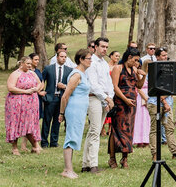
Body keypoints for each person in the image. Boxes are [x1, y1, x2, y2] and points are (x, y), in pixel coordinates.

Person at [57, 48, 93, 178]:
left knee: (75, 137)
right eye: (88, 59)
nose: (90, 61)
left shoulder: (83, 74)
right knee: (71, 138)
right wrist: (61, 113)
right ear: (81, 60)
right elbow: (65, 96)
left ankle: (69, 168)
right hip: (74, 109)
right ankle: (67, 170)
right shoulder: (76, 75)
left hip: (81, 109)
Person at [82, 37, 113, 173]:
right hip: (93, 98)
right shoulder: (91, 62)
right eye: (102, 46)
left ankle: (86, 163)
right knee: (95, 131)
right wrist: (105, 97)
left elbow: (109, 83)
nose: (105, 49)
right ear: (96, 47)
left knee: (94, 131)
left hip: (105, 99)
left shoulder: (105, 64)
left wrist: (109, 98)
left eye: (106, 47)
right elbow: (93, 85)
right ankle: (93, 164)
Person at [108, 48, 142, 168]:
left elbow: (139, 85)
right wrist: (125, 100)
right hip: (120, 102)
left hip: (132, 104)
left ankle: (125, 158)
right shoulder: (118, 68)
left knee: (129, 130)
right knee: (116, 130)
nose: (136, 62)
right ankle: (112, 158)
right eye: (135, 60)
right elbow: (115, 87)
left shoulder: (134, 69)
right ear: (129, 57)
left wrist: (141, 75)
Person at [147, 47, 176, 159]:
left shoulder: (170, 69)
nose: (165, 57)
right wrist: (163, 100)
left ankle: (175, 152)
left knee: (169, 128)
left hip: (168, 103)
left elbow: (172, 87)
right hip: (155, 103)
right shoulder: (152, 69)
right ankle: (155, 153)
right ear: (157, 56)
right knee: (154, 129)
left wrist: (166, 101)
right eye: (163, 55)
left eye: (166, 55)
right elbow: (153, 88)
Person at [5, 55, 43, 155]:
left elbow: (40, 83)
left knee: (29, 123)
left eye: (30, 64)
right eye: (28, 64)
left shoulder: (32, 73)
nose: (30, 66)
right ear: (21, 64)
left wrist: (36, 89)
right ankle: (14, 148)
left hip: (31, 104)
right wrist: (25, 91)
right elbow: (11, 87)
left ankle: (35, 146)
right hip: (17, 103)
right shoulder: (15, 74)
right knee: (16, 123)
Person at [40, 47, 74, 148]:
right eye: (62, 57)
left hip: (62, 98)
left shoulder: (69, 70)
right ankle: (44, 142)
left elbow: (71, 85)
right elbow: (41, 81)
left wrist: (64, 86)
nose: (63, 59)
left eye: (65, 57)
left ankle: (54, 142)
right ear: (57, 57)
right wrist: (41, 92)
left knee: (58, 120)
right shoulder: (48, 68)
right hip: (50, 97)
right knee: (47, 120)